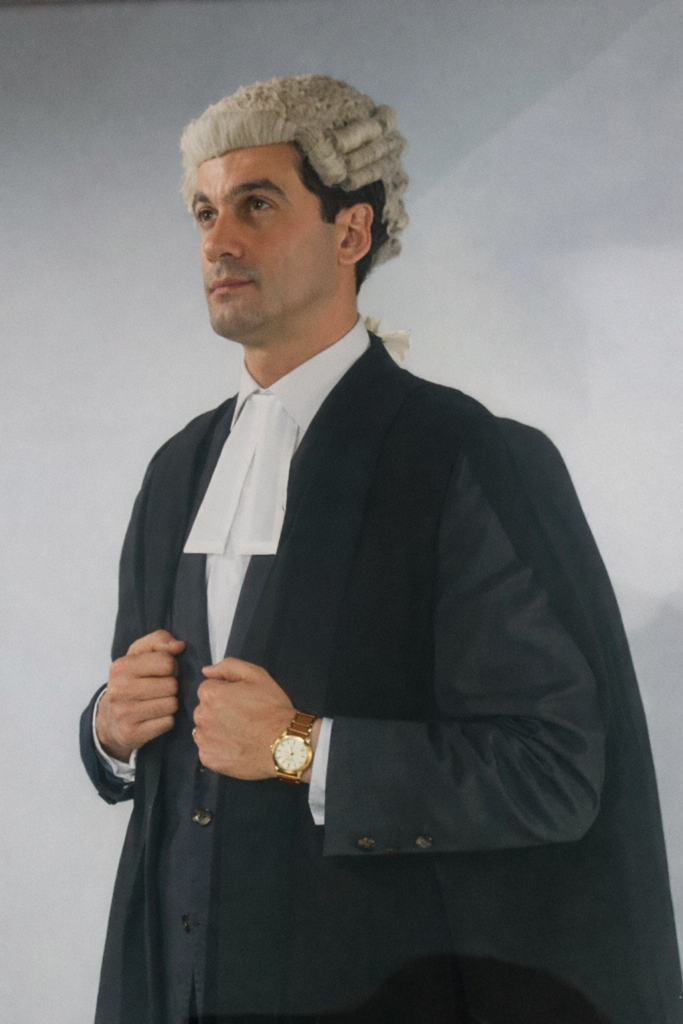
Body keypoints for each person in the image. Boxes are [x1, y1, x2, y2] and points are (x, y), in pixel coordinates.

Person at [80, 75, 682, 1024]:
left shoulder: (465, 456)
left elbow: (556, 773)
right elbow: (151, 744)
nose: (218, 240)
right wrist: (109, 729)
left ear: (351, 231)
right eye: (204, 211)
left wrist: (296, 747)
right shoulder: (177, 471)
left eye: (256, 204)